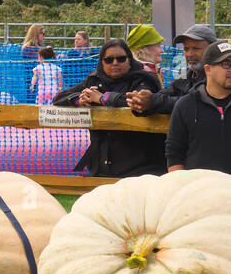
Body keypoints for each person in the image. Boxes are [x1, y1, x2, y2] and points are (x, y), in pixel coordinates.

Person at [53, 39, 165, 178]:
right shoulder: (94, 80)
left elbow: (137, 101)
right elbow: (59, 98)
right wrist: (80, 99)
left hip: (141, 166)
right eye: (109, 60)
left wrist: (102, 98)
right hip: (101, 165)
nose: (115, 63)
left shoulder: (144, 79)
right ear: (102, 62)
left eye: (121, 58)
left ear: (129, 60)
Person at [166, 40, 231, 173]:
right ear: (208, 69)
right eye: (226, 64)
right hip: (198, 190)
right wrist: (181, 185)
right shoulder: (185, 105)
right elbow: (174, 154)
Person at [129, 24, 217, 116]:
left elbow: (194, 103)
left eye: (196, 49)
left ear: (212, 49)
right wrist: (141, 102)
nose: (190, 54)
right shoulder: (187, 75)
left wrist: (152, 102)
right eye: (186, 49)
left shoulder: (220, 77)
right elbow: (165, 94)